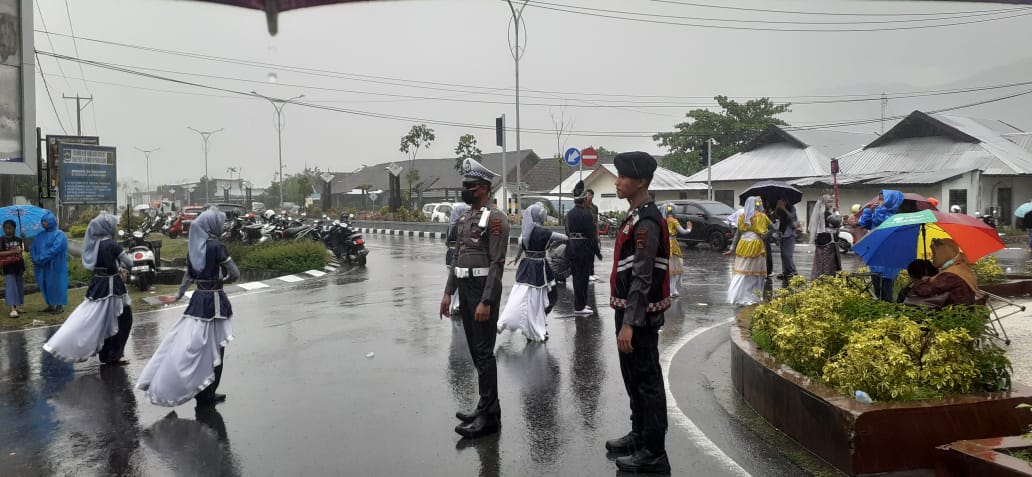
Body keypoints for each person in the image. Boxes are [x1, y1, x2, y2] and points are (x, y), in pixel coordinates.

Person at [604, 151, 671, 474]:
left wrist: (630, 322)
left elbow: (643, 275)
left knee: (647, 381)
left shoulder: (647, 221)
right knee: (632, 377)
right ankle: (639, 434)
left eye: (623, 177)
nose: (617, 182)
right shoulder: (634, 216)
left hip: (640, 315)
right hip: (629, 310)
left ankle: (654, 451)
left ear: (641, 181)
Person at [137, 210, 239, 407]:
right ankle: (209, 394)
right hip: (215, 303)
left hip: (198, 300)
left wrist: (179, 295)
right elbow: (235, 273)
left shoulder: (195, 246)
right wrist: (222, 280)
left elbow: (188, 276)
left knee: (197, 348)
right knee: (216, 350)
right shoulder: (217, 246)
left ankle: (200, 391)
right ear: (212, 225)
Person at [439, 158, 509, 439]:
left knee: (483, 352)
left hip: (482, 289)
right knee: (475, 351)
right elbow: (457, 257)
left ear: (483, 188)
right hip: (464, 287)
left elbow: (497, 263)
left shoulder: (496, 218)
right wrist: (448, 292)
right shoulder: (466, 217)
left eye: (470, 186)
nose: (465, 190)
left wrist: (487, 301)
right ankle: (486, 407)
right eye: (465, 185)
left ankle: (489, 417)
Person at [43, 214, 134, 364]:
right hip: (113, 288)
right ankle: (115, 355)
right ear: (108, 227)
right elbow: (129, 262)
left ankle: (106, 355)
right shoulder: (112, 245)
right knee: (122, 319)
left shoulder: (93, 245)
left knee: (100, 321)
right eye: (114, 225)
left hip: (97, 286)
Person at [497, 203, 568, 342]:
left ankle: (530, 324)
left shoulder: (526, 232)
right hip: (540, 267)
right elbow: (564, 238)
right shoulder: (544, 232)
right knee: (545, 297)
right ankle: (537, 324)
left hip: (526, 266)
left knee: (524, 297)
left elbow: (521, 246)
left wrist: (517, 258)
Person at [859, 190, 904, 301]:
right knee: (877, 283)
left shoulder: (894, 217)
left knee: (886, 286)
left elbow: (881, 220)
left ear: (891, 201)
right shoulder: (877, 212)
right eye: (879, 199)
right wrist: (869, 212)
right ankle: (880, 306)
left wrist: (878, 210)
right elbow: (864, 224)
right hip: (876, 252)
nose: (880, 202)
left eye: (883, 199)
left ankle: (888, 307)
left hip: (888, 255)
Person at [566, 181, 603, 315]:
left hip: (572, 247)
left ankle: (579, 304)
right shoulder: (586, 214)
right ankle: (580, 307)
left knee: (576, 277)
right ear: (583, 199)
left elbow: (567, 232)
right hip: (583, 249)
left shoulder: (569, 214)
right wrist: (597, 252)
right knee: (583, 277)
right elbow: (591, 235)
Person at [726, 197, 771, 306]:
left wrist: (731, 248)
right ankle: (753, 296)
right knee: (755, 274)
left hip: (743, 246)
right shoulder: (762, 217)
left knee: (742, 272)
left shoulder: (742, 217)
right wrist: (765, 235)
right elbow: (773, 229)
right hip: (756, 246)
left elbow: (737, 234)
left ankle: (738, 295)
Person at [908, 238, 978, 307]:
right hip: (965, 309)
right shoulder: (961, 266)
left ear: (944, 253)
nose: (932, 257)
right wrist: (929, 279)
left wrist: (917, 281)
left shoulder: (951, 274)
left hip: (957, 312)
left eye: (934, 254)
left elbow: (925, 290)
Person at [30, 210, 68, 313]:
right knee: (45, 284)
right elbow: (33, 247)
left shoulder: (60, 235)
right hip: (43, 266)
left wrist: (41, 258)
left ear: (52, 221)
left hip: (56, 265)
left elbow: (55, 249)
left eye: (45, 221)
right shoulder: (40, 235)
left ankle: (59, 305)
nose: (43, 223)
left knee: (57, 284)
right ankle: (51, 305)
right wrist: (35, 257)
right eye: (42, 221)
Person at [660, 203, 691, 298]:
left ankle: (668, 290)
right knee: (675, 270)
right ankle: (672, 290)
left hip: (664, 244)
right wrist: (689, 229)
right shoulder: (674, 221)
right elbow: (683, 231)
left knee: (667, 270)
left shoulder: (662, 221)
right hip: (673, 246)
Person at [808, 195, 841, 280]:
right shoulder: (826, 213)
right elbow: (837, 222)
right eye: (828, 202)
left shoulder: (821, 213)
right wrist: (837, 213)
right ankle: (827, 279)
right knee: (828, 262)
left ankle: (820, 278)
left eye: (831, 202)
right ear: (823, 203)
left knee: (820, 261)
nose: (831, 204)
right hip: (828, 241)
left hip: (822, 240)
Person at [446, 203, 470, 315]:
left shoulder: (451, 226)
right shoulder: (461, 226)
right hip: (458, 255)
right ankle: (457, 306)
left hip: (449, 255)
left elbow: (447, 242)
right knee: (460, 281)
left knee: (454, 281)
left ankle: (456, 305)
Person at [1, 220, 25, 318]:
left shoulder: (18, 239)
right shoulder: (2, 240)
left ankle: (16, 307)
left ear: (14, 228)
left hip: (19, 266)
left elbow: (26, 249)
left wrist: (24, 238)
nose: (8, 230)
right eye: (6, 228)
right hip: (8, 267)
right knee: (11, 287)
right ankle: (12, 309)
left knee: (18, 287)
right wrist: (14, 252)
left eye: (10, 228)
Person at [772, 197, 799, 282]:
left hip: (790, 234)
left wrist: (784, 209)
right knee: (783, 254)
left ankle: (793, 272)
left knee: (788, 254)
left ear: (786, 202)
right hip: (781, 234)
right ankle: (785, 272)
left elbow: (792, 217)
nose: (781, 203)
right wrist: (777, 208)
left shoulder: (792, 208)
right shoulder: (779, 209)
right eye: (779, 201)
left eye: (782, 201)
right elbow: (774, 217)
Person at [586, 189, 600, 282]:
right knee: (587, 254)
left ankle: (592, 273)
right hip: (586, 234)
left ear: (592, 196)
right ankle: (587, 273)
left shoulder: (595, 208)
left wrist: (598, 235)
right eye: (587, 195)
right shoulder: (584, 207)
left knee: (592, 253)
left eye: (589, 195)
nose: (588, 197)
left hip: (593, 234)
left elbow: (597, 221)